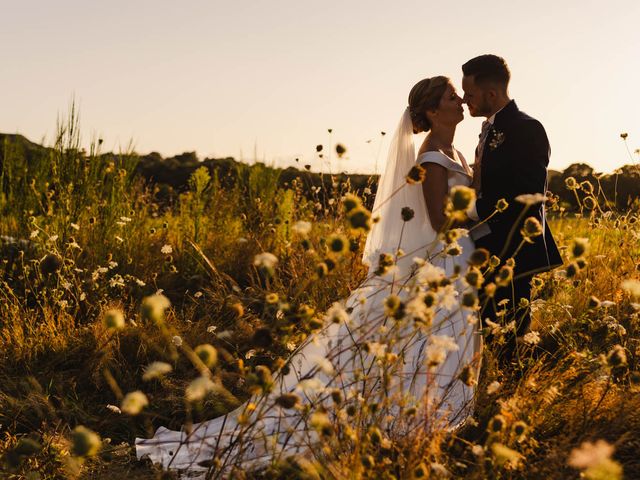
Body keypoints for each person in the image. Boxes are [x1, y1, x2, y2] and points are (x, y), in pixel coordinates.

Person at [135, 76, 483, 477]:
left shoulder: (454, 150)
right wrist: (476, 217)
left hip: (456, 264)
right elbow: (440, 220)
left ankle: (434, 418)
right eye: (451, 96)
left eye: (459, 95)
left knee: (442, 343)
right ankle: (412, 421)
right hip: (441, 262)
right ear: (431, 111)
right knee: (426, 343)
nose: (460, 101)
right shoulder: (431, 158)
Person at [461, 54, 562, 363]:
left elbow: (527, 194)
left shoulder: (526, 128)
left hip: (513, 251)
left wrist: (471, 211)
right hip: (485, 248)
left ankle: (514, 399)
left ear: (491, 94)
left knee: (509, 342)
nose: (465, 100)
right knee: (488, 335)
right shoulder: (488, 130)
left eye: (470, 94)